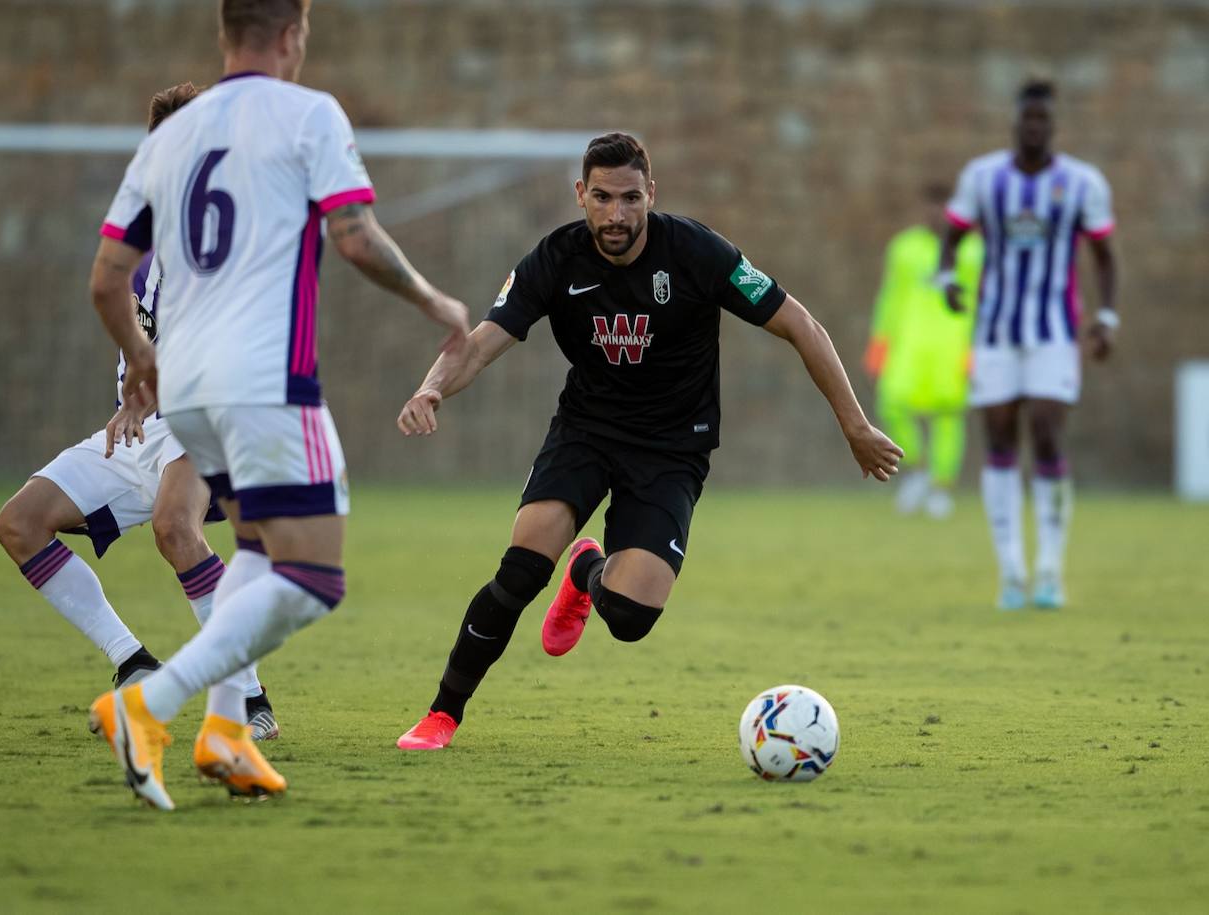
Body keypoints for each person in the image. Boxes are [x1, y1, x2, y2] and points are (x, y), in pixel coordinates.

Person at [394, 133, 902, 751]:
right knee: (522, 568)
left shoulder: (696, 252)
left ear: (650, 194)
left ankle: (588, 570)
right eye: (603, 197)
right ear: (581, 195)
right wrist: (431, 390)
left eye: (630, 198)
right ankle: (442, 715)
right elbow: (480, 342)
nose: (616, 214)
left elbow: (801, 324)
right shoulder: (554, 260)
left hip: (671, 449)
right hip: (586, 432)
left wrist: (854, 425)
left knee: (630, 620)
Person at [85, 0, 471, 809]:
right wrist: (436, 302)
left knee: (257, 552)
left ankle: (226, 734)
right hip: (266, 382)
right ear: (293, 35)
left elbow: (106, 278)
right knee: (314, 578)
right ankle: (146, 705)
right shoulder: (306, 114)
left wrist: (142, 359)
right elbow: (356, 235)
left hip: (185, 392)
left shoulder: (168, 138)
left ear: (226, 36)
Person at [0, 82, 279, 740]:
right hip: (139, 425)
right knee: (18, 524)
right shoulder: (140, 238)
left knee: (175, 528)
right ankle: (133, 664)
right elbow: (116, 304)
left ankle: (247, 699)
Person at [938, 78, 1117, 610]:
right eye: (1027, 119)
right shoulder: (983, 177)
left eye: (1044, 119)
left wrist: (1107, 316)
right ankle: (1012, 571)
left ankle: (1050, 572)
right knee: (997, 438)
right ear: (1016, 123)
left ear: (1054, 125)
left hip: (1054, 333)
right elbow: (952, 237)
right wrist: (947, 279)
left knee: (1045, 431)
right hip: (994, 330)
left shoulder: (1083, 182)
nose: (1035, 127)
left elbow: (1107, 255)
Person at [864, 183, 983, 519]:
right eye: (933, 206)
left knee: (949, 417)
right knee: (891, 403)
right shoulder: (904, 248)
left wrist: (978, 350)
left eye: (945, 207)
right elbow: (890, 297)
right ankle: (917, 469)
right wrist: (879, 343)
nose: (938, 214)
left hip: (954, 346)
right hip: (909, 346)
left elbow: (984, 304)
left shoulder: (975, 250)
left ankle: (941, 489)